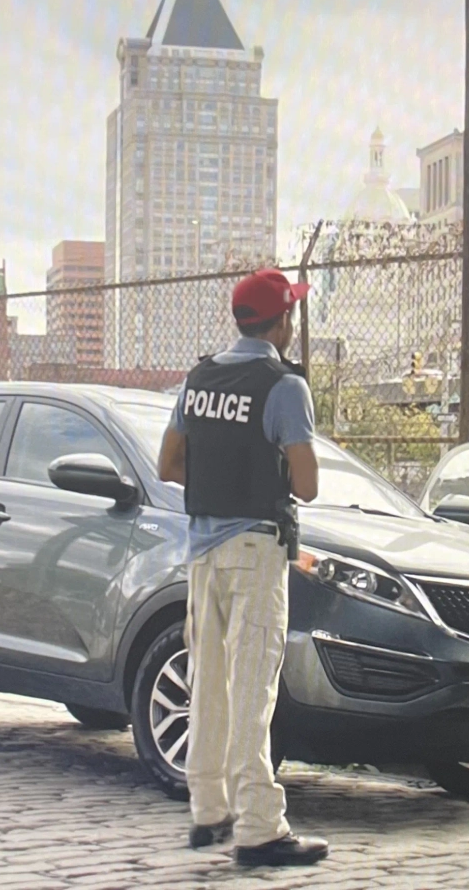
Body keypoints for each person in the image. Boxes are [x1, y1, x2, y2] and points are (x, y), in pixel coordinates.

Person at [156, 269, 330, 868]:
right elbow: (306, 485)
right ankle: (260, 828)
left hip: (201, 549)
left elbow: (168, 464)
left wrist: (219, 486)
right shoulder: (284, 386)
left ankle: (209, 808)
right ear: (281, 322)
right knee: (254, 690)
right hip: (256, 551)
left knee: (209, 684)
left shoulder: (199, 377)